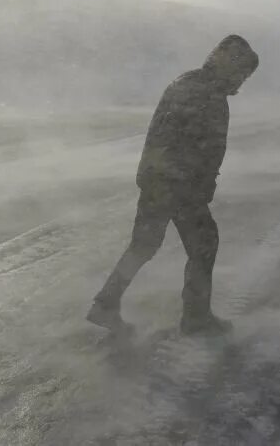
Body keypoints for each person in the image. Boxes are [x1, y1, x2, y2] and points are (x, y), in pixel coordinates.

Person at [88, 34, 259, 336]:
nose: (241, 82)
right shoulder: (205, 92)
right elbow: (197, 144)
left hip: (161, 178)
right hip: (178, 183)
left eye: (245, 76)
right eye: (241, 73)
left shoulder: (190, 82)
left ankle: (105, 303)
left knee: (144, 244)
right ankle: (196, 317)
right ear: (228, 64)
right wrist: (199, 183)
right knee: (204, 243)